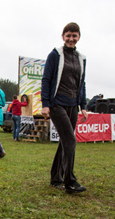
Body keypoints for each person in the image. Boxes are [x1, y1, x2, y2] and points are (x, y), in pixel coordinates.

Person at [41, 22, 88, 194]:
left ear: (78, 37)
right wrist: (45, 104)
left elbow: (81, 83)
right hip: (57, 104)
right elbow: (46, 80)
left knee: (64, 142)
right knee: (70, 140)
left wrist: (83, 105)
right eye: (68, 35)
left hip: (73, 105)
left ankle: (56, 178)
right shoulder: (55, 55)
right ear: (63, 36)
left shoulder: (81, 58)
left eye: (74, 35)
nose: (71, 38)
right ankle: (70, 182)